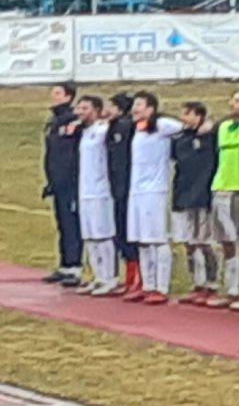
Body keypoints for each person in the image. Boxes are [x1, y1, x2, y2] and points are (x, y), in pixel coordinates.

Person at [126, 91, 183, 305]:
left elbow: (182, 127)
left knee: (158, 239)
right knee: (143, 241)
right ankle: (148, 285)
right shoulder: (137, 130)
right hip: (137, 191)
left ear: (150, 108)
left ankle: (162, 286)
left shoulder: (161, 125)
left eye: (139, 105)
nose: (135, 109)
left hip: (156, 191)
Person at [208, 89, 239, 309]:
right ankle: (231, 288)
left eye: (238, 101)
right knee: (226, 242)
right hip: (221, 187)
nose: (232, 104)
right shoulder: (224, 127)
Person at [172, 101, 218, 305]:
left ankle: (212, 283)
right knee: (188, 243)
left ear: (199, 116)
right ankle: (196, 283)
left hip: (203, 195)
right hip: (183, 195)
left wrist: (210, 126)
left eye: (188, 113)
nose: (183, 117)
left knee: (204, 241)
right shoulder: (180, 139)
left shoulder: (210, 137)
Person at [73, 95, 119, 295]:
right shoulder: (84, 132)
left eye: (85, 108)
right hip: (85, 190)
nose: (80, 112)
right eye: (79, 108)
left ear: (96, 110)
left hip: (101, 190)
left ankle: (110, 277)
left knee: (103, 235)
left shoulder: (103, 130)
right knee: (90, 237)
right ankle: (98, 276)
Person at [42, 83, 82, 288]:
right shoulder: (54, 122)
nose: (53, 96)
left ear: (68, 97)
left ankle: (75, 266)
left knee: (72, 223)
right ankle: (65, 264)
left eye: (58, 93)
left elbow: (71, 155)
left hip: (71, 182)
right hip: (58, 181)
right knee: (62, 223)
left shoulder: (73, 121)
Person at [105, 93, 140, 297]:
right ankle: (128, 276)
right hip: (116, 186)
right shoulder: (112, 127)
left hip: (126, 187)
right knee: (119, 233)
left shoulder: (127, 127)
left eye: (111, 106)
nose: (107, 110)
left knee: (128, 233)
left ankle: (136, 278)